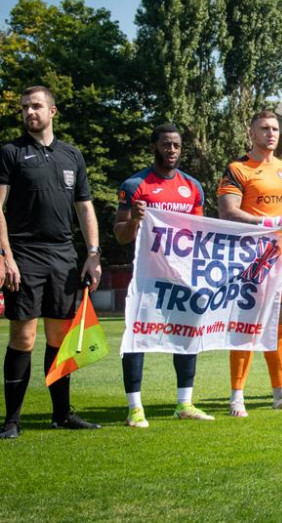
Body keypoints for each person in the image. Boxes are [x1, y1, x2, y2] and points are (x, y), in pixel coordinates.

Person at [0, 86, 103, 439]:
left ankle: (62, 413)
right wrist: (5, 256)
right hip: (24, 254)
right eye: (25, 107)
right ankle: (12, 420)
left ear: (52, 111)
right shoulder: (10, 153)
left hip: (63, 256)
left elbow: (85, 208)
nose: (30, 112)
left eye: (36, 106)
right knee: (24, 337)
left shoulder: (72, 156)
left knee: (60, 337)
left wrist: (93, 254)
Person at [115, 124, 213, 427]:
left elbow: (198, 233)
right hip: (147, 277)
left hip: (182, 276)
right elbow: (120, 235)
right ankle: (135, 407)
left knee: (188, 335)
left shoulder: (193, 187)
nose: (171, 151)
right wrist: (134, 221)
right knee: (137, 335)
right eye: (166, 145)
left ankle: (184, 403)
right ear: (153, 147)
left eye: (177, 146)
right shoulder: (135, 185)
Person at [219, 111, 282, 416]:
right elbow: (228, 212)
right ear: (252, 132)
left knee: (281, 326)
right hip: (251, 258)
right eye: (265, 128)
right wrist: (271, 222)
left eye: (275, 128)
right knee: (246, 325)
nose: (271, 133)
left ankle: (280, 393)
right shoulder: (237, 169)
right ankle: (236, 396)